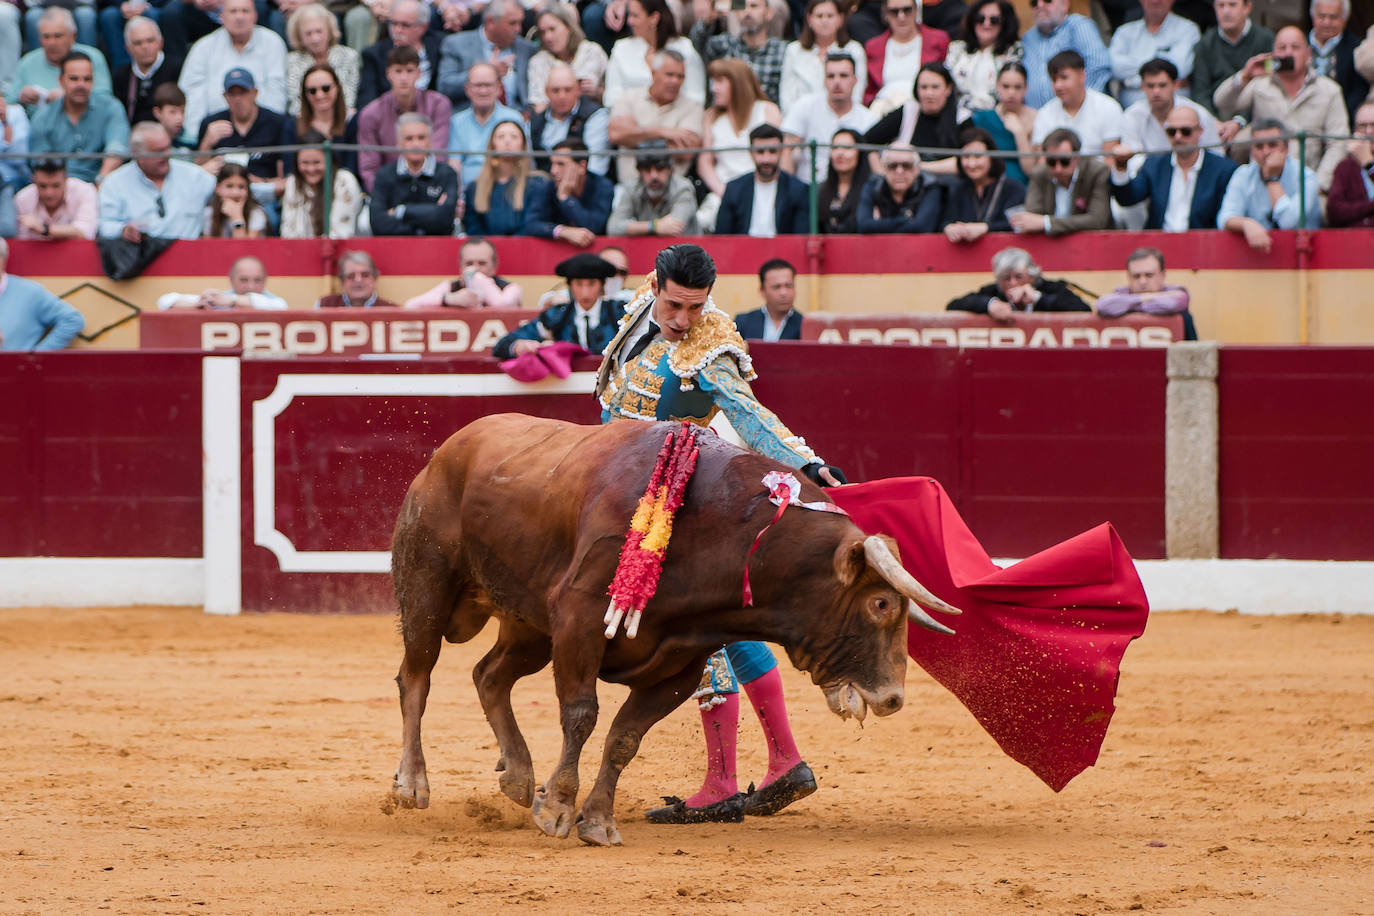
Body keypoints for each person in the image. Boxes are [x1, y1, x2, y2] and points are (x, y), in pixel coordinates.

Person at [596, 243, 844, 825]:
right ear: (655, 285)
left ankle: (723, 781)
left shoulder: (712, 343)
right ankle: (785, 760)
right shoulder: (639, 310)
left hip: (679, 503)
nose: (684, 320)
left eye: (696, 307)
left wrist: (808, 465)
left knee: (694, 630)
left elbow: (753, 415)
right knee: (731, 628)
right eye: (676, 305)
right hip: (636, 489)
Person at [1213, 25, 1350, 192]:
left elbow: (1338, 143)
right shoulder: (1260, 84)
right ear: (1273, 54)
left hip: (1309, 182)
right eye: (1282, 48)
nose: (1287, 53)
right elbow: (1222, 102)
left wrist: (1318, 185)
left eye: (1295, 47)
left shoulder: (1329, 90)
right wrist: (1245, 75)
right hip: (1262, 182)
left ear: (1308, 55)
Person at [177, 0, 287, 146]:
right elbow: (192, 94)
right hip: (216, 132)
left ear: (255, 15)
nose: (239, 17)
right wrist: (198, 135)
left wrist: (267, 130)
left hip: (263, 133)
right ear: (221, 16)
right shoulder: (203, 47)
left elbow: (277, 91)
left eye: (245, 11)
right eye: (233, 11)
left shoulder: (272, 42)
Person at [1110, 104, 1237, 230]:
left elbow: (1225, 218)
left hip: (1202, 244)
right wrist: (1121, 165)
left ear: (1200, 131)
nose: (1178, 137)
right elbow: (1126, 199)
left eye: (1185, 131)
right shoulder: (1154, 165)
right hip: (1160, 245)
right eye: (1171, 132)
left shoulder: (1224, 170)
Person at [492, 252, 626, 358]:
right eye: (579, 284)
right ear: (570, 286)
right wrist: (518, 346)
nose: (585, 293)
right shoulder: (556, 316)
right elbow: (502, 345)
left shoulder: (619, 313)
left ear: (602, 285)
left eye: (591, 284)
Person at [357, 45, 451, 192]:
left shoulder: (438, 105)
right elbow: (369, 167)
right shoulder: (371, 113)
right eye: (398, 71)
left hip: (429, 187)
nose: (404, 78)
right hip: (387, 190)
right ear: (388, 73)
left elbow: (437, 156)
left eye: (409, 71)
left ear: (419, 73)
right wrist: (383, 198)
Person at [1217, 117, 1322, 250]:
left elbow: (1288, 224)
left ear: (1286, 147)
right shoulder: (1243, 174)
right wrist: (1246, 224)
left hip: (1303, 257)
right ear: (1252, 150)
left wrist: (1272, 179)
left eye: (1272, 145)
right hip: (1259, 257)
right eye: (1259, 146)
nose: (1265, 152)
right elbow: (1224, 218)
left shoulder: (1307, 177)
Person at [99, 122, 215, 240]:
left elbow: (224, 194)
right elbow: (104, 226)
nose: (166, 155)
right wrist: (123, 230)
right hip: (141, 254)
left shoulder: (195, 176)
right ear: (138, 154)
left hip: (188, 254)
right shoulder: (114, 183)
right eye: (159, 151)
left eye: (168, 147)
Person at [607, 49, 705, 188]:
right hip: (629, 189)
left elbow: (687, 150)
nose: (675, 81)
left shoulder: (693, 107)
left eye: (680, 76)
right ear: (653, 73)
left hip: (672, 192)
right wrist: (663, 132)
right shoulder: (629, 98)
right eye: (669, 75)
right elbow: (616, 134)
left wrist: (636, 136)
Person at [28, 51, 129, 185]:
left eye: (87, 79)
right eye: (74, 79)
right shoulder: (44, 116)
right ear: (61, 80)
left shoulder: (111, 108)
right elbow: (39, 162)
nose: (81, 85)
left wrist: (101, 181)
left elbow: (116, 149)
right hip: (59, 189)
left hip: (103, 183)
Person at [698, 58, 782, 209]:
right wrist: (725, 193)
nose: (714, 88)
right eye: (713, 82)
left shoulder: (767, 110)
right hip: (723, 194)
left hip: (763, 191)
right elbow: (705, 162)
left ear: (737, 83)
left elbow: (780, 156)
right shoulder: (711, 116)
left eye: (719, 82)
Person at [781, 52, 877, 182]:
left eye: (843, 76)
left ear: (855, 80)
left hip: (852, 194)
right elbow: (787, 150)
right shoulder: (805, 105)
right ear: (824, 80)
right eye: (831, 76)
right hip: (808, 189)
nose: (837, 82)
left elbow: (874, 163)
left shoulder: (868, 119)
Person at [862, 62, 963, 173]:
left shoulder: (962, 117)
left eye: (935, 87)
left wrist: (918, 167)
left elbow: (969, 159)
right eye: (924, 87)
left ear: (948, 88)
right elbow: (866, 143)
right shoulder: (908, 111)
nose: (929, 93)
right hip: (906, 186)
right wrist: (882, 175)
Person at [369, 112, 460, 236]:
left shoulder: (447, 173)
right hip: (395, 248)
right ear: (398, 143)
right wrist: (431, 215)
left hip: (436, 248)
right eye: (409, 138)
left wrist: (400, 212)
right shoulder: (384, 175)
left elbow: (445, 219)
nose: (415, 144)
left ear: (430, 142)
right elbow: (378, 223)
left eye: (421, 138)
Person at [8, 7, 113, 114]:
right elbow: (9, 102)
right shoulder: (28, 62)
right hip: (38, 126)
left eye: (58, 36)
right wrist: (21, 98)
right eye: (46, 37)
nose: (51, 43)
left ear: (73, 36)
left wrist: (68, 97)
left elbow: (106, 101)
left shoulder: (93, 57)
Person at [604, 0, 706, 110]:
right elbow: (611, 98)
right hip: (629, 119)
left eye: (635, 16)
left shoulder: (684, 48)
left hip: (676, 120)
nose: (629, 21)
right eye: (629, 15)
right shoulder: (621, 48)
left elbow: (696, 97)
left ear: (654, 18)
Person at [196, 68, 290, 183]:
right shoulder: (211, 123)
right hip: (222, 193)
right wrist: (207, 143)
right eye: (232, 94)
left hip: (265, 192)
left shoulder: (277, 123)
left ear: (255, 93)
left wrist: (260, 182)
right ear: (225, 96)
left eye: (243, 92)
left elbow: (285, 180)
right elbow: (198, 175)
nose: (238, 99)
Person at [437, 0, 536, 110]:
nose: (518, 29)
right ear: (491, 22)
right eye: (512, 23)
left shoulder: (527, 49)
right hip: (471, 118)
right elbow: (444, 86)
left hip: (517, 120)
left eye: (520, 22)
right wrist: (486, 72)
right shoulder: (456, 44)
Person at [714, 123, 809, 235]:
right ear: (751, 152)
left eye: (772, 151)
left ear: (782, 151)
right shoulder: (734, 189)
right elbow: (722, 238)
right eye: (760, 152)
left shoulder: (799, 189)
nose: (766, 159)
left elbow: (801, 238)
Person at [1013, 127, 1112, 234]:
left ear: (1077, 158)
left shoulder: (1096, 172)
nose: (1058, 168)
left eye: (1064, 161)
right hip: (1050, 243)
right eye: (1051, 162)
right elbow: (1032, 217)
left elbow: (1097, 220)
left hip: (1092, 244)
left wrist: (1047, 223)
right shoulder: (1039, 174)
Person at [945, 245, 1089, 316]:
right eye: (1005, 278)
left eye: (1019, 277)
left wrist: (1040, 299)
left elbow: (1084, 309)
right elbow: (953, 306)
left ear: (1032, 276)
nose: (1012, 283)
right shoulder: (994, 291)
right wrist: (990, 305)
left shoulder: (1050, 288)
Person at [1120, 58, 1219, 160]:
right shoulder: (1132, 115)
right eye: (1150, 86)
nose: (1156, 91)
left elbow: (1216, 154)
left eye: (1162, 85)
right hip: (1146, 174)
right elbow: (1133, 162)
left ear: (1176, 85)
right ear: (1142, 86)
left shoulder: (1198, 113)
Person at [779, 0, 869, 112]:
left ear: (840, 19)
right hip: (801, 119)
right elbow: (786, 94)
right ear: (809, 19)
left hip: (842, 118)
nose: (824, 21)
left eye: (830, 16)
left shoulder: (855, 50)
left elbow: (857, 94)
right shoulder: (794, 50)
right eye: (819, 16)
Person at [1109, 0, 1200, 109]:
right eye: (1148, 85)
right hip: (1128, 110)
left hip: (1175, 114)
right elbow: (1114, 67)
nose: (1155, 1)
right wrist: (1161, 63)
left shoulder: (1188, 29)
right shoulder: (1124, 32)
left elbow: (1180, 68)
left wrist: (1130, 81)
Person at [1018, 0, 1109, 109]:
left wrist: (1081, 107)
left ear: (1065, 4)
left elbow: (1098, 67)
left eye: (1047, 1)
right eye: (1034, 2)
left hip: (1079, 115)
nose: (1040, 5)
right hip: (1036, 119)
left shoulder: (1078, 26)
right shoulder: (1028, 38)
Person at [1191, 0, 1273, 120]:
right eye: (1221, 5)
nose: (1226, 11)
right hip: (1214, 121)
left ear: (1247, 7)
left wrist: (1240, 121)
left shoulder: (1266, 40)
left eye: (1232, 4)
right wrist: (1214, 123)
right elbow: (1200, 92)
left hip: (1254, 120)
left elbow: (1269, 87)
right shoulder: (1204, 45)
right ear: (1215, 8)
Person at [692, 0, 788, 103]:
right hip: (728, 114)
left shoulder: (783, 50)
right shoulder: (724, 44)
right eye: (742, 7)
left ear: (769, 13)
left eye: (754, 6)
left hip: (767, 114)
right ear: (735, 13)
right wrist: (708, 20)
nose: (747, 11)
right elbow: (697, 43)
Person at [1030, 50, 1123, 156]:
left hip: (1097, 172)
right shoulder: (1044, 113)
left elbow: (1110, 161)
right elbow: (1042, 162)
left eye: (1064, 77)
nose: (1058, 85)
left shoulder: (1108, 107)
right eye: (1054, 79)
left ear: (1082, 75)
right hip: (1056, 172)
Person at [356, 0, 444, 111]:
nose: (397, 30)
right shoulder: (374, 54)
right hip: (390, 116)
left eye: (405, 25)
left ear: (423, 27)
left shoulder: (440, 45)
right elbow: (366, 103)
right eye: (393, 23)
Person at [942, 125, 1026, 241]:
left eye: (978, 156)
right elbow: (946, 220)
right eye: (966, 157)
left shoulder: (1013, 188)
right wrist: (949, 227)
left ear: (992, 157)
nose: (972, 164)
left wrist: (986, 228)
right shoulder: (957, 189)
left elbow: (1018, 224)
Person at [524, 138, 614, 245]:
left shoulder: (602, 186)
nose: (553, 171)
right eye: (552, 164)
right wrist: (561, 231)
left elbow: (594, 227)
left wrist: (565, 198)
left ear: (582, 166)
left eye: (561, 164)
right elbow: (531, 224)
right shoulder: (547, 186)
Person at [0, 237, 85, 351]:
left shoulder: (29, 292)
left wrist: (36, 356)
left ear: (3, 259)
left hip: (15, 367)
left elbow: (72, 319)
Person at [1095, 246, 1197, 340]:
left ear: (1163, 275)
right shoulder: (1121, 292)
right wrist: (1145, 298)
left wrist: (1128, 305)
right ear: (1128, 277)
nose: (1142, 282)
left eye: (1149, 275)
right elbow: (1103, 305)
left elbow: (1172, 304)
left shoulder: (1176, 291)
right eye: (1136, 276)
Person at [944, 0, 1022, 119]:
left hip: (998, 120)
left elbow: (1012, 90)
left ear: (1004, 23)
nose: (986, 23)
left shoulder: (1012, 52)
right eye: (980, 19)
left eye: (994, 20)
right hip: (957, 119)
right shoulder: (957, 49)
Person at [863, 0, 950, 106]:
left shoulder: (938, 40)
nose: (901, 17)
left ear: (916, 11)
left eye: (907, 10)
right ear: (885, 14)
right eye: (894, 11)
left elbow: (946, 81)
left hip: (924, 109)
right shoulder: (873, 47)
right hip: (884, 110)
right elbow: (869, 91)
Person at [448, 62, 525, 182]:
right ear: (467, 89)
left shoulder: (514, 118)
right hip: (467, 194)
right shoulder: (457, 121)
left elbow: (523, 160)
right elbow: (454, 162)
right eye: (478, 85)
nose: (483, 91)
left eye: (488, 85)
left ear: (499, 88)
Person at [530, 63, 611, 176]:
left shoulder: (595, 116)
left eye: (567, 90)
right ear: (546, 92)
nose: (561, 96)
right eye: (555, 90)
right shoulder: (535, 122)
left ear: (578, 90)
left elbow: (595, 169)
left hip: (581, 186)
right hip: (543, 185)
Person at [607, 140, 701, 236]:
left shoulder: (683, 187)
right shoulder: (631, 188)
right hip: (647, 247)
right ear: (639, 171)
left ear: (670, 169)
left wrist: (636, 228)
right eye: (647, 170)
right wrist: (653, 226)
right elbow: (613, 227)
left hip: (684, 248)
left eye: (660, 169)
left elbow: (675, 227)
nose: (654, 176)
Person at [527, 4, 609, 113]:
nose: (548, 37)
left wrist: (597, 92)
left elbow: (614, 94)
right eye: (543, 32)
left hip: (593, 116)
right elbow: (539, 108)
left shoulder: (592, 52)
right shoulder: (538, 62)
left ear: (568, 27)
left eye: (552, 29)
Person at [280, 131, 363, 237]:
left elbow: (341, 232)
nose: (311, 169)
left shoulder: (344, 180)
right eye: (305, 163)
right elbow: (288, 232)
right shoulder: (293, 183)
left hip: (339, 250)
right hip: (300, 250)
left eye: (317, 162)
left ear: (329, 161)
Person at [463, 119, 538, 236]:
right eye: (501, 136)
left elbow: (531, 225)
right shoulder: (475, 187)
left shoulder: (536, 184)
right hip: (485, 250)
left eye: (514, 136)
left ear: (523, 145)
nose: (507, 141)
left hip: (523, 248)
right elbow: (473, 227)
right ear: (492, 144)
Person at [402, 237, 524, 308]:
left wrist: (480, 282)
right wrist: (449, 299)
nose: (475, 269)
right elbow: (410, 305)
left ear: (494, 266)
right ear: (460, 267)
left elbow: (502, 307)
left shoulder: (510, 288)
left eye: (482, 263)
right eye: (469, 264)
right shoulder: (451, 287)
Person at [285, 3, 361, 117]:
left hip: (343, 118)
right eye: (308, 34)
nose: (315, 39)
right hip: (306, 121)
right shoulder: (291, 61)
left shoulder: (349, 56)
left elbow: (350, 98)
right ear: (299, 36)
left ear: (330, 31)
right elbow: (295, 104)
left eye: (319, 31)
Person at [970, 60, 1035, 183]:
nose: (1011, 93)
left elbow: (1030, 169)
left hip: (1022, 188)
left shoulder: (1036, 118)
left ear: (1026, 88)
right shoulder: (983, 118)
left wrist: (1020, 133)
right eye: (1006, 86)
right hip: (989, 187)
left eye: (1017, 87)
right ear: (997, 86)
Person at [857, 142, 944, 232]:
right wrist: (905, 221)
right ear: (884, 169)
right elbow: (863, 226)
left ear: (917, 169)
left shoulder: (929, 186)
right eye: (892, 166)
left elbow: (921, 227)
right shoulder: (873, 186)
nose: (899, 171)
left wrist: (879, 224)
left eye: (906, 165)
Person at [112, 17, 184, 127]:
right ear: (128, 48)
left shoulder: (178, 68)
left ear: (161, 42)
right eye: (138, 43)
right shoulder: (122, 75)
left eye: (150, 40)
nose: (145, 47)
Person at [1308, 0, 1369, 123]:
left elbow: (1358, 93)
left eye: (1333, 17)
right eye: (1321, 16)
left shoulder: (1357, 50)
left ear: (1345, 18)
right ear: (1313, 15)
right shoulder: (1298, 45)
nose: (1326, 22)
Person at [156, 255, 288, 310]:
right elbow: (164, 301)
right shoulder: (220, 299)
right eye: (244, 280)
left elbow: (281, 307)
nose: (251, 286)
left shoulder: (274, 302)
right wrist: (198, 303)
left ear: (265, 281)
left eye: (257, 280)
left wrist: (232, 301)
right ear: (231, 280)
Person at [292, 64, 355, 178]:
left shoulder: (352, 122)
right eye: (312, 91)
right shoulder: (292, 126)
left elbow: (353, 169)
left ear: (337, 88)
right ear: (305, 94)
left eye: (326, 88)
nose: (320, 95)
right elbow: (290, 172)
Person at [14, 159, 97, 240]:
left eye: (55, 185)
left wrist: (44, 229)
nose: (49, 193)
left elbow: (86, 232)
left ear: (66, 180)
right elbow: (20, 242)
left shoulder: (84, 191)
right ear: (34, 181)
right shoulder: (22, 198)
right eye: (42, 186)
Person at [1326, 98, 1374, 227]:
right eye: (1363, 126)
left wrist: (1369, 165)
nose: (1368, 132)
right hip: (1354, 241)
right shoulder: (1345, 167)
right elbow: (1335, 213)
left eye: (1373, 125)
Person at [817, 126, 872, 232]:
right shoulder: (820, 190)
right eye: (835, 148)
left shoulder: (873, 187)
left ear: (859, 153)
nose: (840, 153)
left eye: (847, 148)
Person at [734, 257, 801, 340]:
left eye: (789, 286)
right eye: (776, 287)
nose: (783, 293)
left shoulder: (804, 325)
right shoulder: (743, 322)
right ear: (762, 291)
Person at [202, 161, 267, 237]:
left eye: (241, 187)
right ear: (218, 188)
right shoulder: (209, 214)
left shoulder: (256, 213)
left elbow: (245, 248)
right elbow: (209, 247)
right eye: (229, 186)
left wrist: (237, 219)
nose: (235, 193)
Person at [315, 250, 401, 308]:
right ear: (342, 281)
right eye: (351, 276)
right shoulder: (324, 305)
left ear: (375, 278)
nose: (358, 280)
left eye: (365, 275)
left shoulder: (393, 311)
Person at [150, 82, 195, 151]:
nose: (180, 118)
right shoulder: (149, 141)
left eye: (182, 111)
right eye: (172, 112)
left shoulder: (191, 140)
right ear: (157, 112)